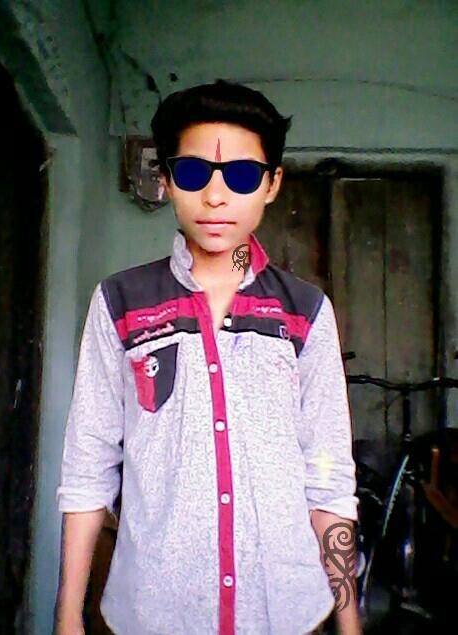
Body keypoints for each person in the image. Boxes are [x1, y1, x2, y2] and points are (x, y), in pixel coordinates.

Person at [54, 79, 362, 635]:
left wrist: (349, 624)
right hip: (155, 614)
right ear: (168, 180)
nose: (216, 197)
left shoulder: (305, 312)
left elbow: (329, 478)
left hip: (284, 614)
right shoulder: (121, 303)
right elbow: (87, 469)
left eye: (241, 176)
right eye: (195, 173)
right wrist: (67, 615)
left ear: (272, 185)